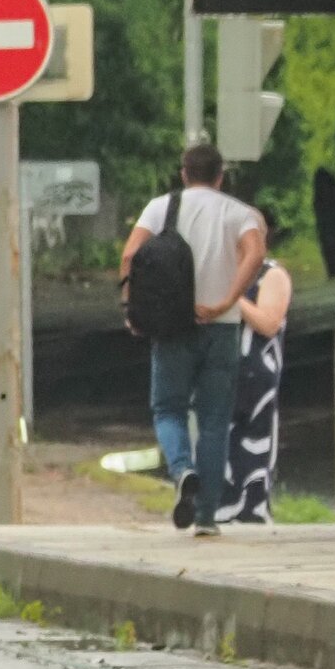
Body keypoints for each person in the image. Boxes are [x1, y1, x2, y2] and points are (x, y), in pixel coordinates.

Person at [120, 142, 266, 534]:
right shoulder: (240, 213)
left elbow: (130, 256)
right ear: (221, 176)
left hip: (172, 326)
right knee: (215, 422)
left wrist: (132, 308)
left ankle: (183, 470)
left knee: (168, 409)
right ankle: (206, 519)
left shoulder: (160, 208)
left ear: (184, 173)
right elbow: (255, 253)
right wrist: (228, 300)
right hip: (222, 329)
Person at [217, 238, 290, 527]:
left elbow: (268, 322)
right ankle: (217, 511)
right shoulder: (216, 277)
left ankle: (252, 512)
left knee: (253, 448)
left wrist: (232, 297)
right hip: (218, 374)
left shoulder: (272, 275)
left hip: (256, 377)